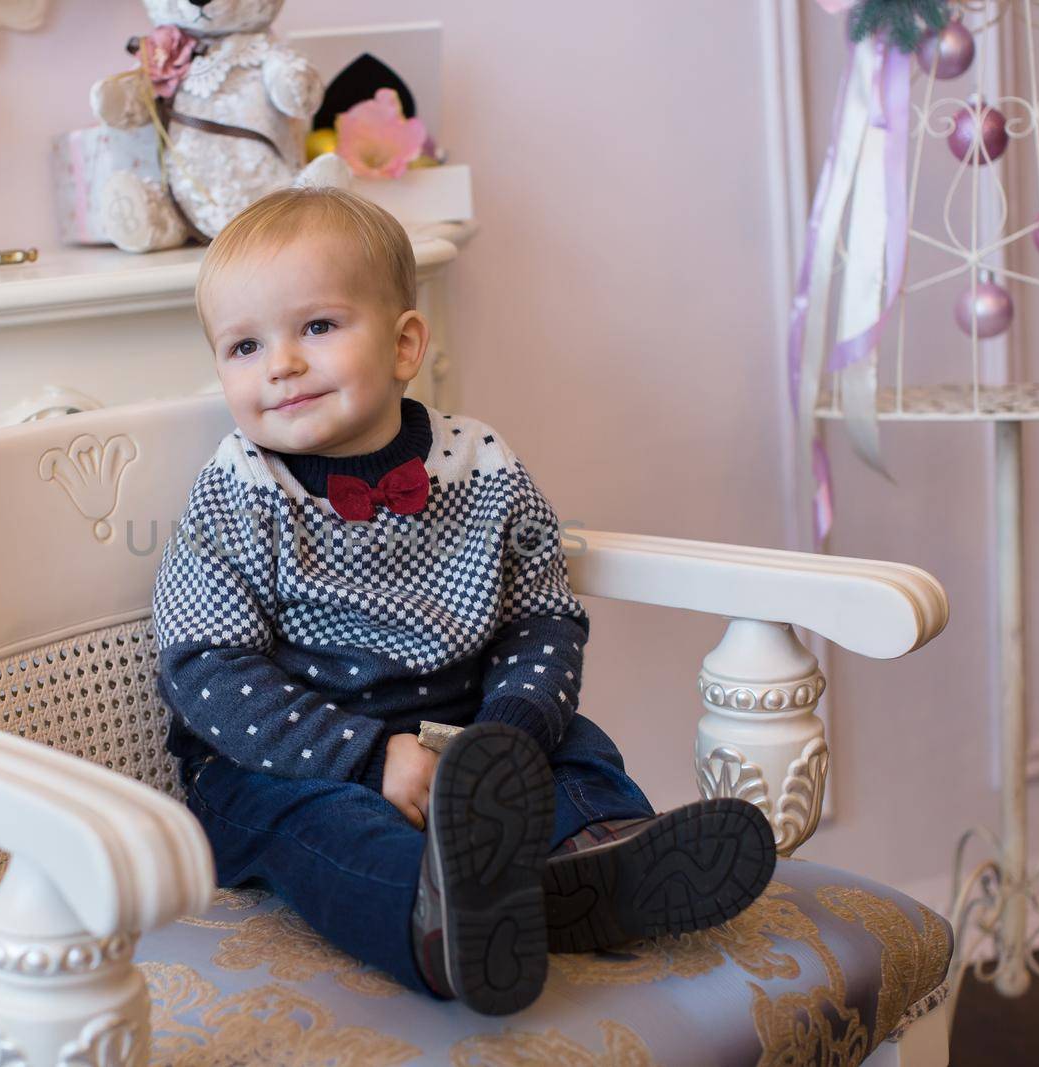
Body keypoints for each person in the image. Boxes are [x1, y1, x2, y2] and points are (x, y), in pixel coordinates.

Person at [152, 186, 775, 1015]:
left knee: (576, 749)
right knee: (319, 826)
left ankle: (601, 854)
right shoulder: (236, 491)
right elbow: (207, 670)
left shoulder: (478, 463)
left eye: (319, 327)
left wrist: (508, 735)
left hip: (461, 730)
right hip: (287, 752)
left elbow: (540, 615)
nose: (282, 363)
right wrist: (370, 758)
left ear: (406, 342)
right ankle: (433, 918)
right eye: (243, 346)